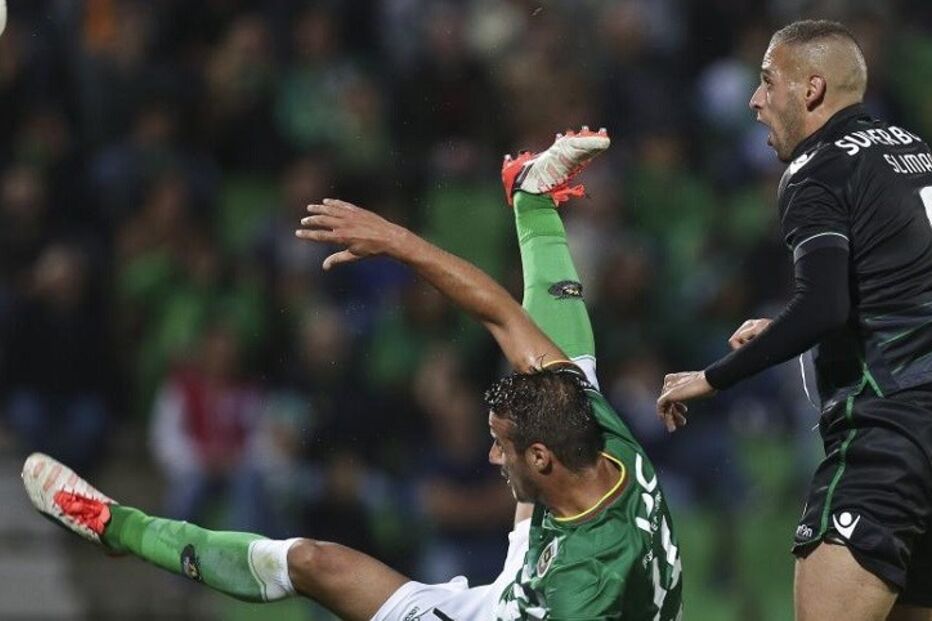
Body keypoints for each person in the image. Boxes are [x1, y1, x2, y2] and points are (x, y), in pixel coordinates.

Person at [23, 128, 682, 620]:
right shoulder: (590, 424)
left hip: (522, 608)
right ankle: (120, 526)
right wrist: (398, 241)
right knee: (315, 557)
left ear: (539, 455)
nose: (489, 452)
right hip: (552, 558)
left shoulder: (573, 597)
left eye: (500, 443)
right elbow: (502, 315)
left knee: (315, 565)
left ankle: (123, 531)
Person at [656, 19, 932, 621]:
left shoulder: (818, 169)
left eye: (766, 81)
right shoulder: (915, 152)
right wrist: (791, 323)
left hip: (887, 438)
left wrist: (713, 375)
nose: (755, 100)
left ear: (809, 91)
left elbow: (824, 304)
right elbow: (891, 294)